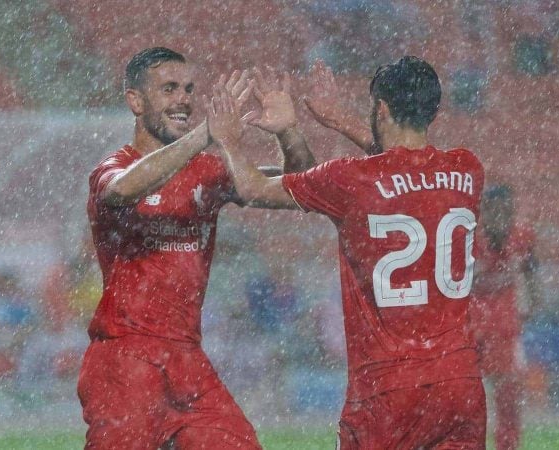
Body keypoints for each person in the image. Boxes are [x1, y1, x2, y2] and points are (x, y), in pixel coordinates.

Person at [206, 55, 487, 449]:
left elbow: (252, 188)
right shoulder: (467, 171)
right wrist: (337, 121)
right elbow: (406, 171)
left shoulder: (351, 179)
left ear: (382, 109)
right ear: (433, 109)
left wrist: (229, 141)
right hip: (460, 383)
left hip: (386, 391)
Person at [77, 47, 315, 450]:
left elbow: (304, 189)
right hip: (125, 360)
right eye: (169, 89)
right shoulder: (111, 169)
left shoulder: (208, 172)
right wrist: (204, 134)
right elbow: (125, 188)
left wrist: (288, 132)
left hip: (187, 360)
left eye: (188, 89)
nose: (183, 99)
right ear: (135, 101)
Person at [469, 184, 541, 450]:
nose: (501, 218)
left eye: (505, 212)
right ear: (483, 213)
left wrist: (532, 301)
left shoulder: (522, 236)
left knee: (509, 400)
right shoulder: (468, 239)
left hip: (504, 328)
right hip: (469, 328)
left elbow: (531, 269)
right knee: (463, 399)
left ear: (512, 212)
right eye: (494, 212)